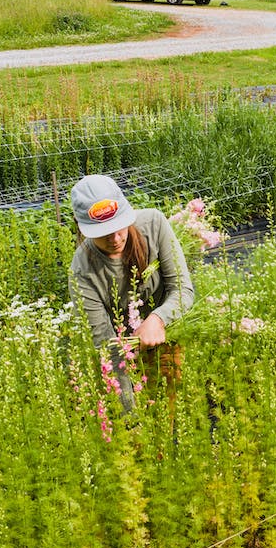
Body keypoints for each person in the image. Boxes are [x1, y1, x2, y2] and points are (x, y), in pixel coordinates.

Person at [68, 174, 195, 411]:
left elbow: (183, 290)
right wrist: (130, 411)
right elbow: (106, 346)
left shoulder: (153, 225)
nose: (116, 239)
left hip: (165, 334)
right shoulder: (82, 271)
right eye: (103, 233)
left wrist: (158, 319)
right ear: (81, 227)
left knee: (167, 410)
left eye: (118, 227)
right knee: (133, 428)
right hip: (123, 356)